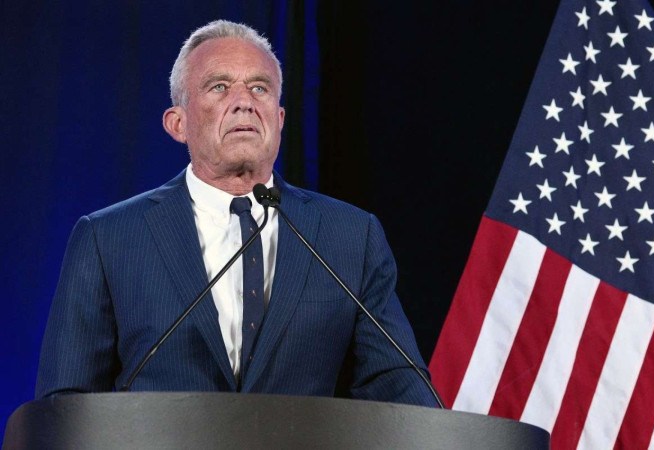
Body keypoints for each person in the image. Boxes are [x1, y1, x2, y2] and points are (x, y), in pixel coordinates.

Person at [35, 19, 437, 407]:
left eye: (260, 88)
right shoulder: (109, 238)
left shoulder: (350, 237)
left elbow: (401, 389)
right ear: (178, 123)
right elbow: (65, 408)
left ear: (279, 119)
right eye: (219, 87)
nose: (244, 102)